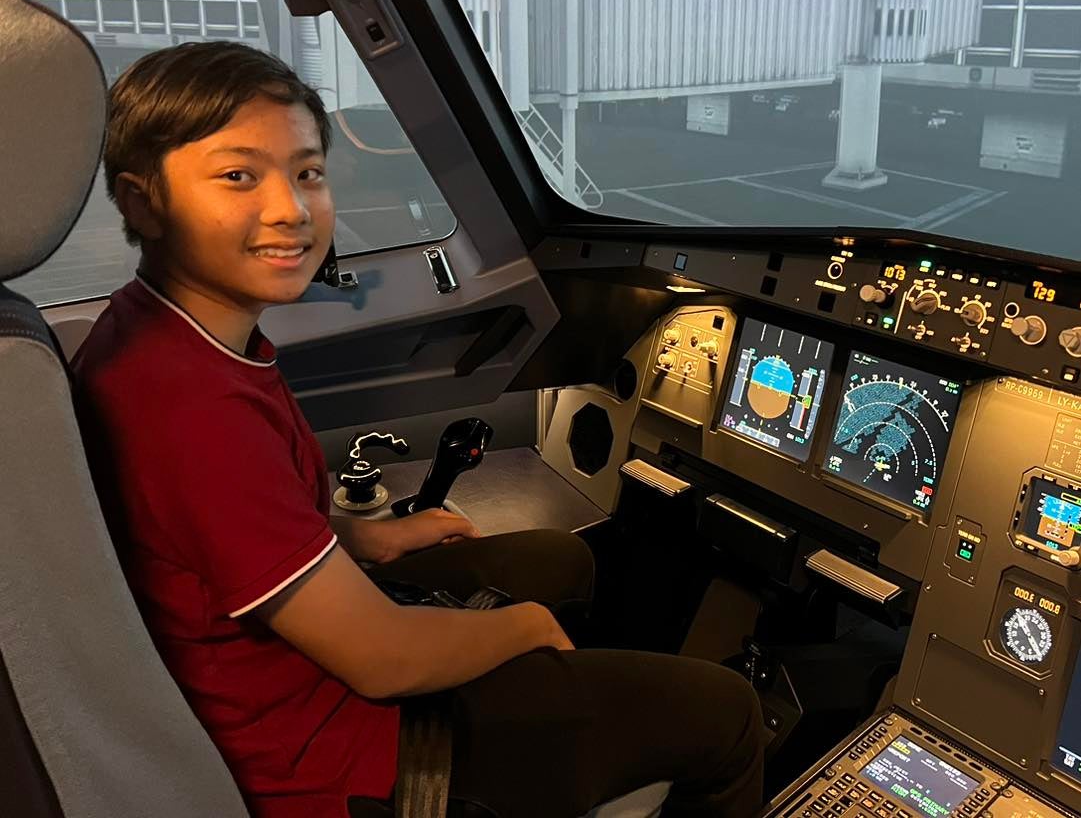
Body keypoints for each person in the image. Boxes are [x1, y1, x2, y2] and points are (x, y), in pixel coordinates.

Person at [72, 41, 764, 818]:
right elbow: (382, 660)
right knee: (725, 711)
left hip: (284, 681)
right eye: (239, 175)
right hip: (338, 759)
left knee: (559, 556)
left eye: (306, 172)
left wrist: (359, 538)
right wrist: (521, 630)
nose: (291, 210)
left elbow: (216, 541)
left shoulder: (157, 335)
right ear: (141, 202)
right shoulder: (189, 407)